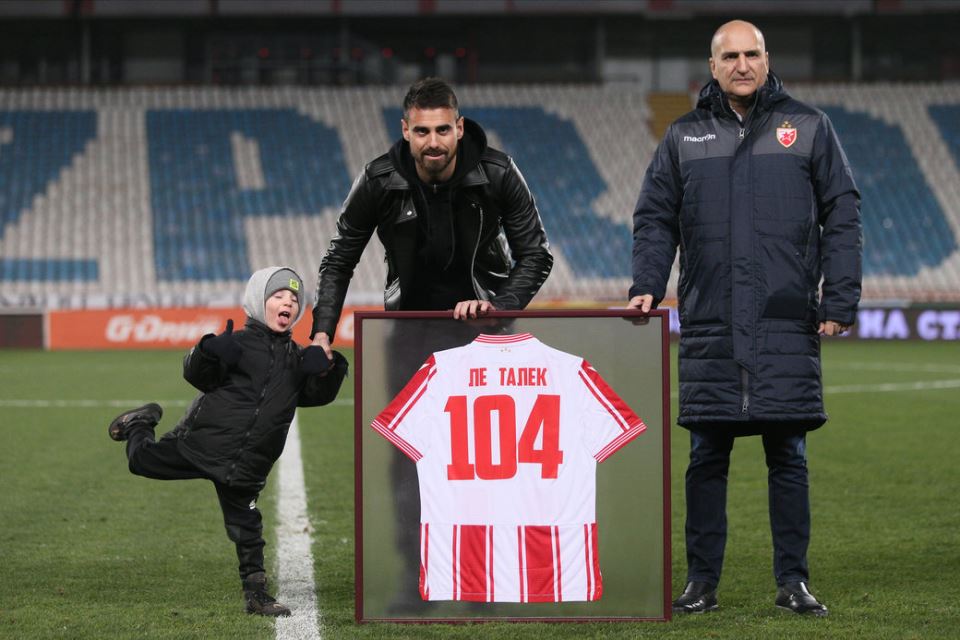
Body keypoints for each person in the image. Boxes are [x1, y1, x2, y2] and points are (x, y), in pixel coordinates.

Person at [628, 20, 861, 617]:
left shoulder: (808, 126)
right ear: (712, 65)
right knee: (707, 456)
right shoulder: (683, 136)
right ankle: (701, 582)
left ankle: (794, 582)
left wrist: (839, 299)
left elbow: (842, 212)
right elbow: (654, 217)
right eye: (728, 55)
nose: (740, 64)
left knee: (789, 456)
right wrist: (647, 287)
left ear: (767, 59)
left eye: (750, 53)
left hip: (785, 322)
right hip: (710, 323)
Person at [309, 77, 552, 611]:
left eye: (444, 129)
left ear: (460, 127)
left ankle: (484, 583)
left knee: (487, 464)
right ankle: (420, 582)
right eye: (422, 131)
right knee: (412, 462)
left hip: (486, 340)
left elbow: (537, 254)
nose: (434, 141)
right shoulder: (379, 178)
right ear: (406, 130)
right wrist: (322, 332)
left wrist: (497, 306)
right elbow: (337, 260)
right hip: (411, 337)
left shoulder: (497, 171)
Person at [107, 266, 348, 617]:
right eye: (278, 296)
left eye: (294, 300)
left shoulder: (297, 359)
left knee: (247, 530)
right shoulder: (236, 344)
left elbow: (317, 396)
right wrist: (207, 350)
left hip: (249, 462)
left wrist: (328, 370)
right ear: (257, 300)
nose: (288, 303)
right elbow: (196, 375)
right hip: (201, 445)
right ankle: (141, 421)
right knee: (141, 462)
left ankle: (256, 595)